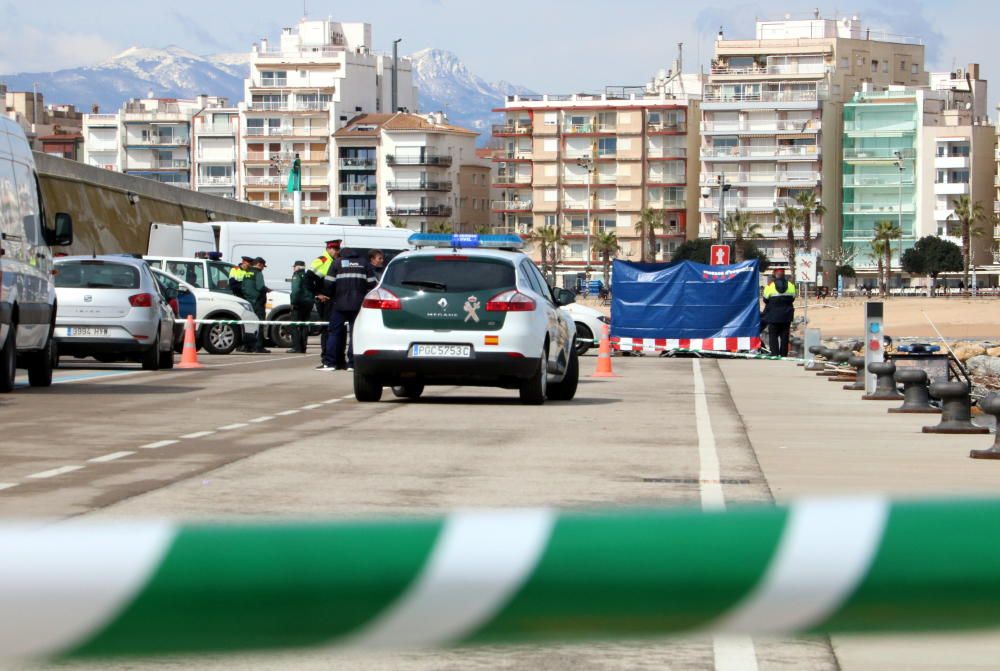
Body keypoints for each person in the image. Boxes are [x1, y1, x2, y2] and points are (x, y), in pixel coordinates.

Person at [318, 247, 376, 371]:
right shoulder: (364, 263)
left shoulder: (337, 262)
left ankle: (330, 363)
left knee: (334, 333)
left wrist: (328, 294)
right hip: (358, 305)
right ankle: (352, 364)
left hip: (339, 304)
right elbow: (372, 284)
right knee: (355, 334)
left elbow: (328, 283)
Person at [307, 240, 341, 354]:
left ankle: (333, 354)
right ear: (328, 249)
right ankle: (326, 354)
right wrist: (317, 294)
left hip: (334, 299)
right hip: (324, 300)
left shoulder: (336, 260)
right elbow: (307, 279)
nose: (337, 251)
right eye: (335, 249)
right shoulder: (322, 260)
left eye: (338, 249)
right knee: (326, 328)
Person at [761, 268, 796, 357]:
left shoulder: (770, 286)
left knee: (773, 336)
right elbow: (793, 298)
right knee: (785, 336)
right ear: (784, 275)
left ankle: (775, 354)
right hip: (786, 315)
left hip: (773, 315)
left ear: (775, 275)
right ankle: (784, 354)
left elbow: (765, 299)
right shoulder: (791, 285)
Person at [241, 257, 270, 354]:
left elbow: (243, 287)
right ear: (259, 264)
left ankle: (248, 346)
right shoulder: (258, 273)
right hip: (258, 303)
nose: (263, 268)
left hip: (248, 302)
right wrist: (267, 290)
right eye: (263, 266)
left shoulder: (247, 272)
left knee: (249, 324)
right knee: (259, 324)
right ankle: (258, 347)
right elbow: (260, 286)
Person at [288, 260, 314, 354]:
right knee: (304, 326)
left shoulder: (297, 275)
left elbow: (295, 290)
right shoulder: (308, 276)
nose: (293, 268)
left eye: (294, 267)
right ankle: (303, 347)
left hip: (299, 304)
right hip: (308, 303)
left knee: (294, 325)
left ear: (297, 267)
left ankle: (296, 347)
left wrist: (293, 303)